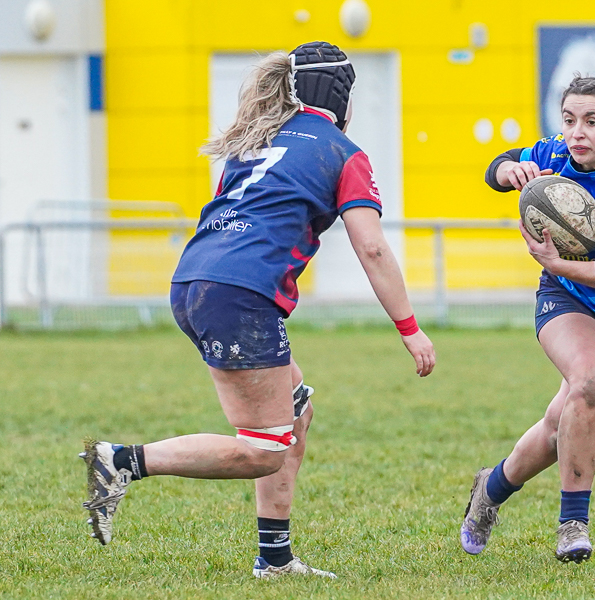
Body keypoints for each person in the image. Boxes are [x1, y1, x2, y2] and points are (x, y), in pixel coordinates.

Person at [79, 41, 436, 579]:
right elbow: (373, 248)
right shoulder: (342, 151)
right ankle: (123, 461)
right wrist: (409, 329)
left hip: (195, 280)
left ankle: (274, 557)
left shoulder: (256, 139)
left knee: (296, 410)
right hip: (238, 295)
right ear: (342, 95)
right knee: (267, 448)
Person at [459, 76, 595, 563]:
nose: (577, 132)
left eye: (592, 122)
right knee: (590, 381)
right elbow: (493, 169)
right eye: (570, 120)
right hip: (569, 298)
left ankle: (488, 492)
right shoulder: (557, 154)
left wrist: (557, 262)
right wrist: (511, 169)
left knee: (563, 426)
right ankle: (573, 523)